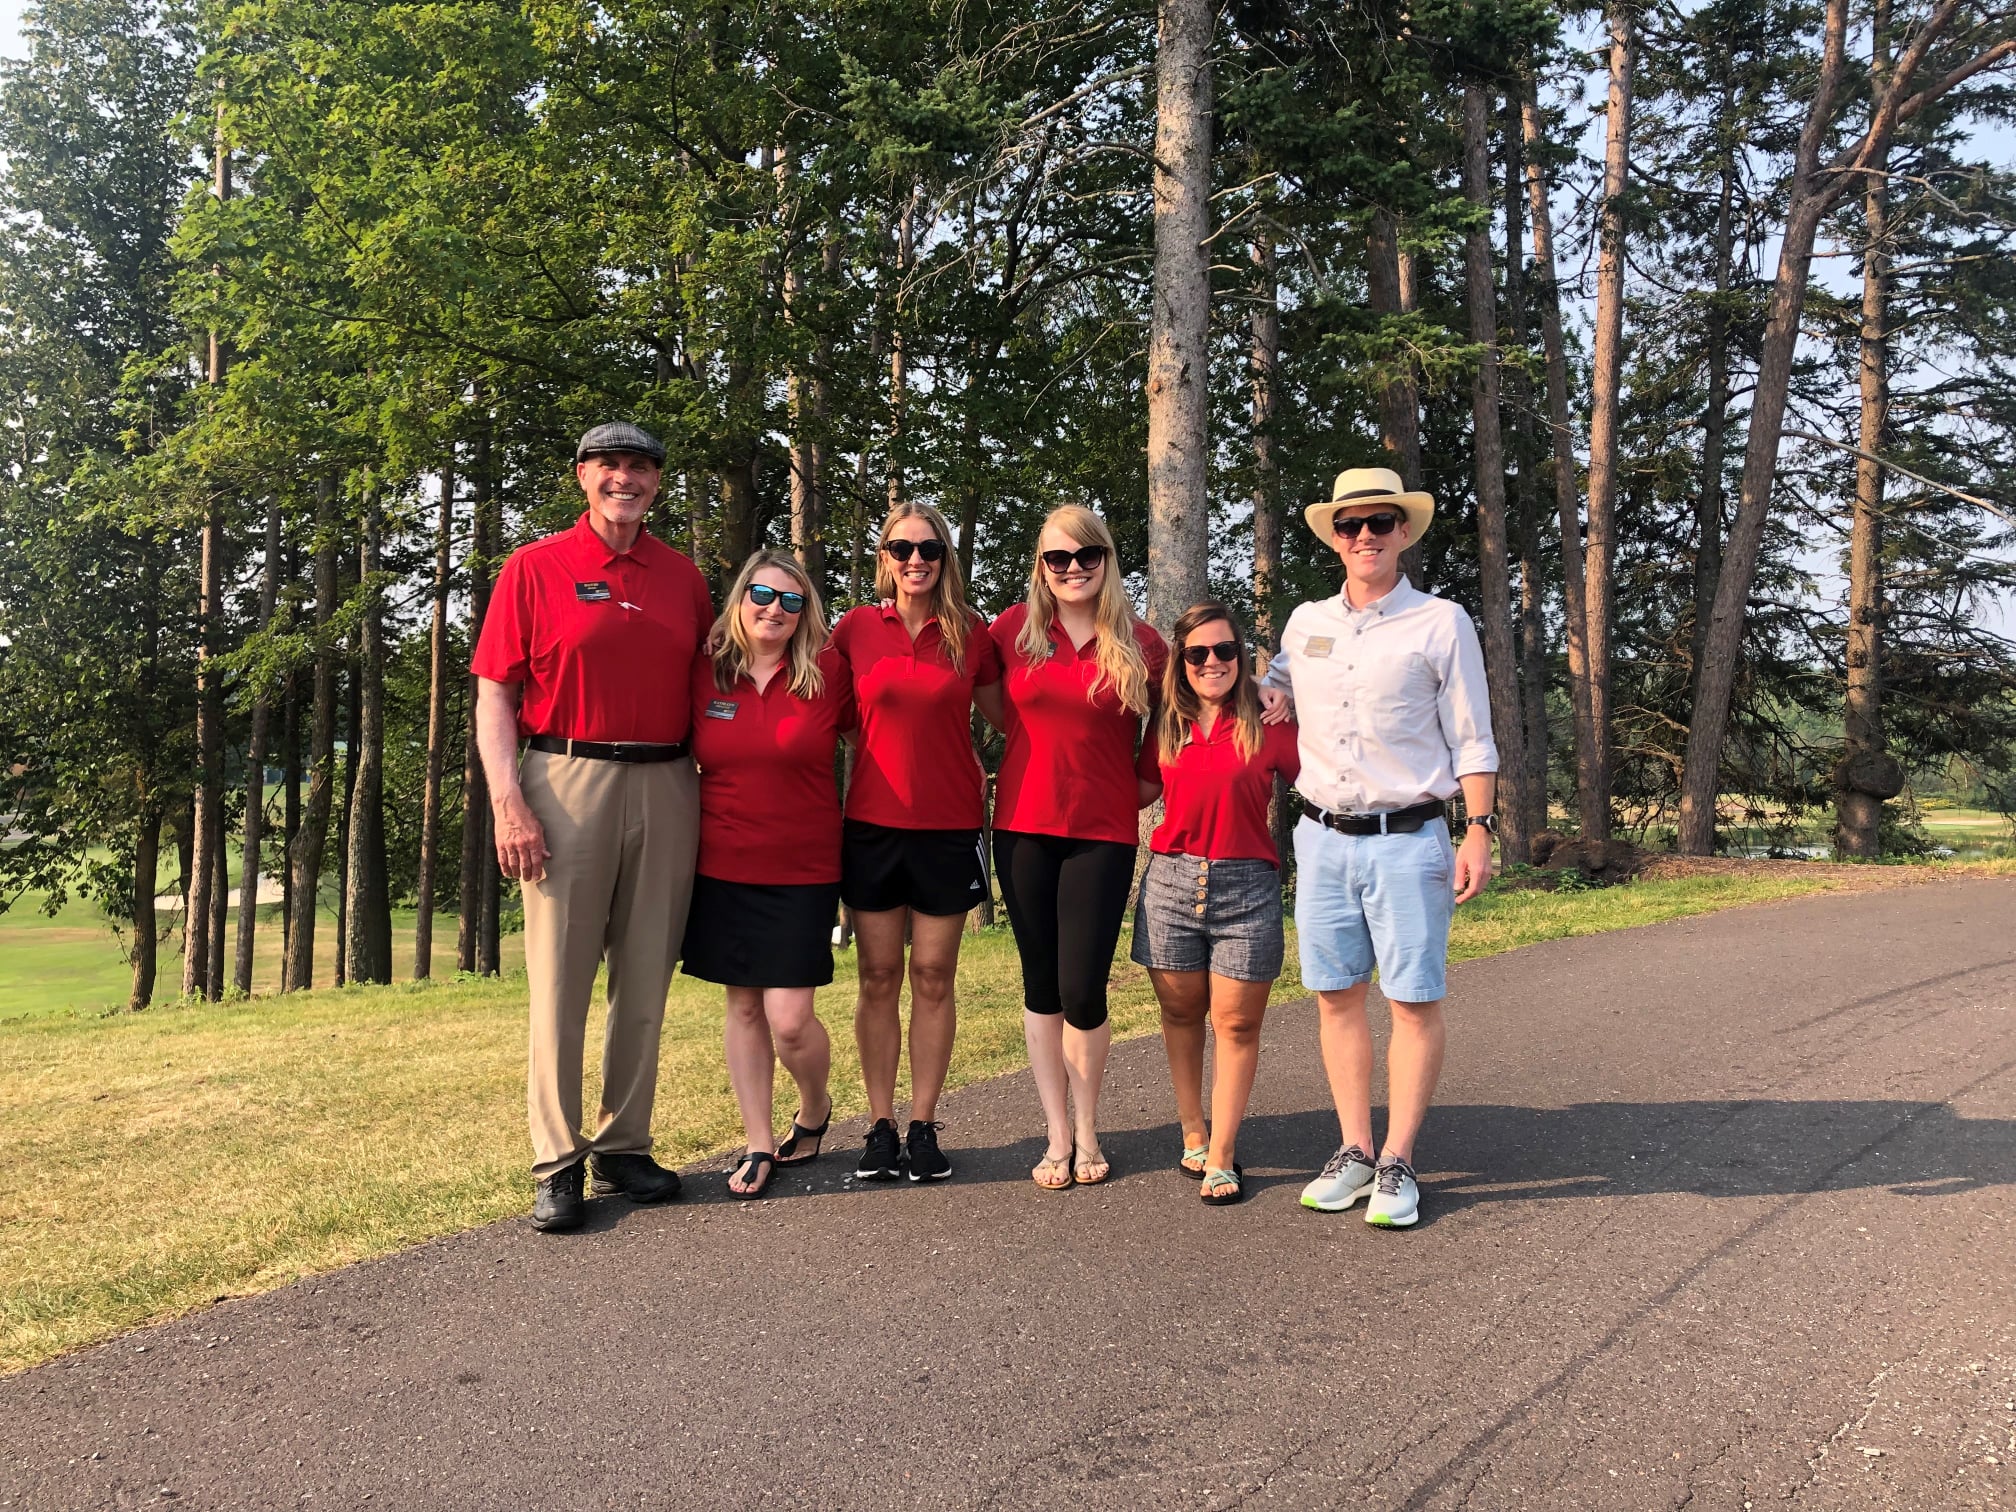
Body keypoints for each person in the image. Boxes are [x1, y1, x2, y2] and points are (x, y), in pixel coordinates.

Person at [471, 422, 715, 1234]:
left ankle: (623, 1143)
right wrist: (509, 801)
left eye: (641, 467)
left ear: (656, 483)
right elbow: (495, 696)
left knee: (645, 978)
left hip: (668, 780)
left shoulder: (683, 578)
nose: (626, 479)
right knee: (561, 982)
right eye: (610, 465)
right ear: (582, 475)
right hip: (563, 776)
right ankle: (557, 1158)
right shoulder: (535, 567)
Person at [1259, 466, 1499, 1229]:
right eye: (1351, 524)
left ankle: (1398, 1160)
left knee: (1413, 999)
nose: (1366, 535)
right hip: (1322, 839)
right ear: (1334, 536)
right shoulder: (1305, 623)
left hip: (1410, 839)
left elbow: (1472, 736)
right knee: (1335, 998)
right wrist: (1268, 694)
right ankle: (1354, 1148)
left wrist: (1480, 829)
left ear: (1404, 531)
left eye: (1381, 522)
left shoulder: (1441, 621)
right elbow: (1275, 686)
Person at [989, 505, 1166, 1189]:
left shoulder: (1143, 643)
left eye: (1085, 556)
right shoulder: (1012, 631)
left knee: (1083, 987)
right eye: (1056, 559)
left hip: (1102, 833)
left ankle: (1091, 1128)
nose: (1071, 569)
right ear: (1041, 566)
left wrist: (1138, 785)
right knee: (1041, 985)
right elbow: (985, 698)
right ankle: (1057, 1135)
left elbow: (1168, 724)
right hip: (1023, 828)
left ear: (1107, 560)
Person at [831, 503, 1005, 1183]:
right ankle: (879, 1126)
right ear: (884, 555)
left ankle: (924, 1124)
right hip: (873, 825)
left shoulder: (970, 633)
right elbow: (841, 718)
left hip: (949, 826)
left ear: (945, 557)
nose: (915, 560)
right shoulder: (854, 629)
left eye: (928, 548)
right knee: (877, 977)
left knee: (934, 977)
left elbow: (1011, 717)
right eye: (901, 547)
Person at [683, 550, 852, 1201]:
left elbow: (876, 742)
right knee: (744, 1005)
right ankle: (757, 1142)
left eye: (791, 600)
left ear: (805, 613)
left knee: (789, 1018)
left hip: (805, 869)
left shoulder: (828, 672)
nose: (773, 609)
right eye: (761, 594)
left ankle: (814, 1106)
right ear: (739, 598)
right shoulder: (704, 671)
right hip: (721, 866)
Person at [1132, 602, 1301, 1207]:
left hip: (1247, 885)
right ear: (1181, 659)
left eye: (1224, 651)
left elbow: (1329, 775)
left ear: (1241, 656)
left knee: (1236, 1023)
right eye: (1197, 652)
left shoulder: (1268, 720)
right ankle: (1194, 1131)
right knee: (1180, 1016)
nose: (1212, 662)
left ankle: (1224, 1152)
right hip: (1172, 885)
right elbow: (1136, 789)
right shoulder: (1166, 724)